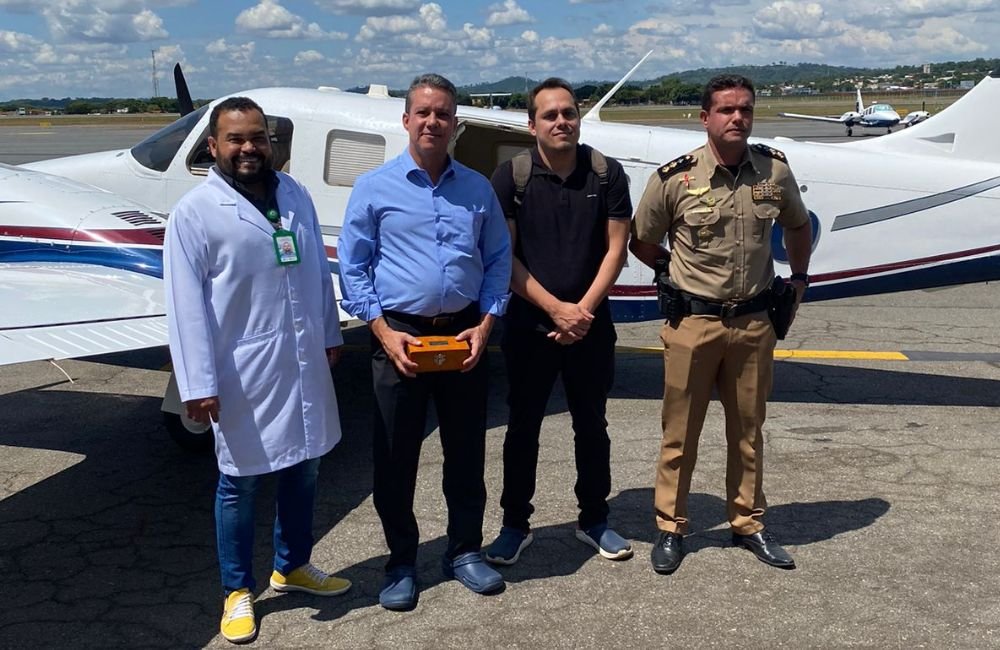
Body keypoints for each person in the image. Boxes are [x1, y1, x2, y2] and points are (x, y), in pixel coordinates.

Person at [164, 97, 350, 644]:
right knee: (239, 482)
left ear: (271, 143)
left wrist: (330, 332)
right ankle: (237, 589)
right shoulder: (195, 213)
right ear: (213, 147)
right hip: (240, 368)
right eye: (237, 139)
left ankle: (291, 565)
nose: (249, 148)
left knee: (305, 465)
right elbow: (185, 306)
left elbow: (315, 268)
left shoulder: (293, 194)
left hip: (300, 358)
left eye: (258, 138)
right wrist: (197, 384)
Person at [337, 73, 512, 610]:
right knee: (394, 458)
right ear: (406, 119)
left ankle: (464, 551)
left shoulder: (477, 188)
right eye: (424, 112)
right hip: (401, 338)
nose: (433, 121)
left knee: (466, 452)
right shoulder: (373, 188)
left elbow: (499, 258)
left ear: (455, 123)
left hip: (462, 336)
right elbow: (354, 266)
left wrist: (486, 325)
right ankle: (401, 562)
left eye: (443, 113)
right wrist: (383, 333)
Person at [629, 74, 812, 575]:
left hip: (754, 323)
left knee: (749, 431)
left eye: (746, 110)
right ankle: (670, 527)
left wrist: (798, 279)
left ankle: (748, 523)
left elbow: (798, 223)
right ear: (705, 117)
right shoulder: (675, 178)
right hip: (694, 325)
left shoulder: (772, 171)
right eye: (727, 110)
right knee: (679, 433)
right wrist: (675, 273)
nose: (737, 118)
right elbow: (641, 240)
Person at [484, 78, 633, 566]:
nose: (561, 121)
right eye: (549, 115)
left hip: (590, 325)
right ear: (532, 125)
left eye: (568, 112)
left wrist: (581, 312)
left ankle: (594, 519)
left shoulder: (607, 174)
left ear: (578, 118)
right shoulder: (511, 177)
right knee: (522, 426)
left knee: (592, 424)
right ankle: (514, 524)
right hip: (531, 326)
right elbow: (504, 258)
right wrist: (554, 309)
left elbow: (616, 249)